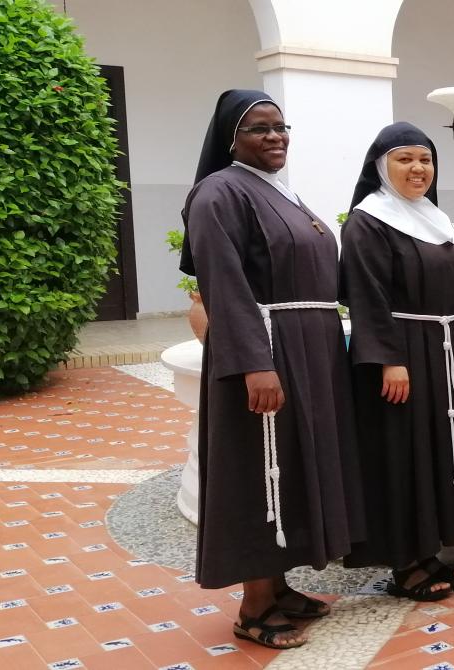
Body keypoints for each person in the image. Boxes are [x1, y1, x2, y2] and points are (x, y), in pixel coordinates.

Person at [180, 89, 364, 649]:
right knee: (260, 470)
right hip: (264, 352)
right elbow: (225, 288)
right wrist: (255, 366)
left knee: (290, 463)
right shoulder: (218, 193)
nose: (275, 137)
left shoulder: (279, 192)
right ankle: (255, 605)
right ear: (230, 138)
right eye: (260, 128)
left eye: (282, 127)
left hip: (307, 351)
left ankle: (280, 587)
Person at [339, 122, 454, 601]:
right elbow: (366, 294)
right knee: (402, 454)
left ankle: (429, 552)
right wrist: (388, 359)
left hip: (445, 353)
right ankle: (404, 565)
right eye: (405, 159)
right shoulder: (368, 220)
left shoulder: (434, 218)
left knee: (439, 451)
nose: (417, 169)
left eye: (424, 159)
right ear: (381, 167)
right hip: (404, 355)